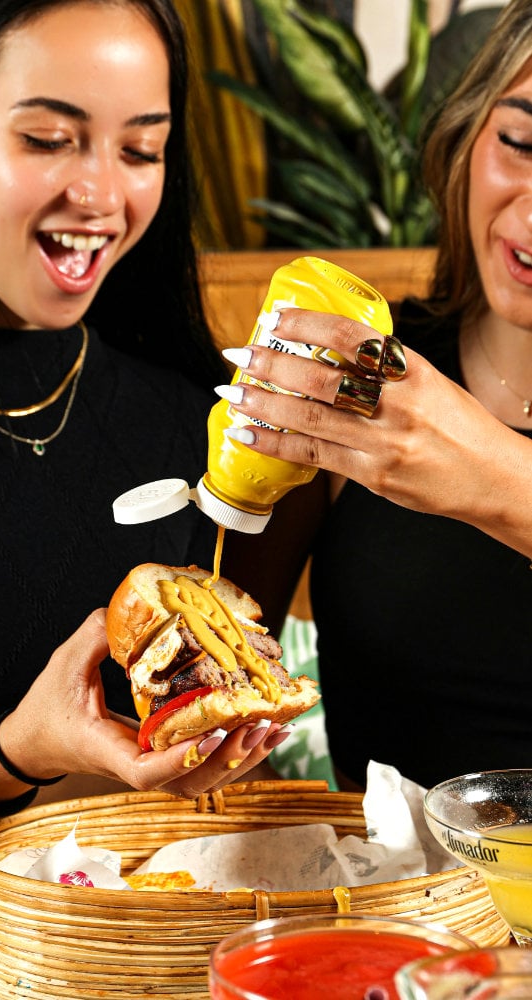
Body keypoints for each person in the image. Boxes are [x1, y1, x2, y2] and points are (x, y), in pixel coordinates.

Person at [0, 0, 323, 830]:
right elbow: (29, 760)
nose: (99, 194)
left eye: (140, 150)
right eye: (48, 139)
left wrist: (176, 767)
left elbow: (118, 814)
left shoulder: (185, 426)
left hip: (95, 944)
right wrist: (11, 753)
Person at [215, 0, 532, 790]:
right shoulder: (359, 376)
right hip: (381, 897)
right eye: (521, 143)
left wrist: (491, 477)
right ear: (465, 140)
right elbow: (226, 673)